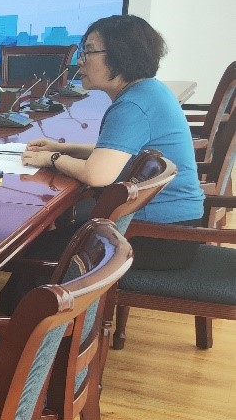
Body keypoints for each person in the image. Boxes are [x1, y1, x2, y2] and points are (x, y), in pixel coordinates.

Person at [20, 14, 205, 266]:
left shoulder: (132, 106)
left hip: (157, 236)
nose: (80, 61)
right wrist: (64, 148)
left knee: (31, 246)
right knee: (45, 240)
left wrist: (52, 158)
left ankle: (33, 291)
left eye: (88, 52)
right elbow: (115, 153)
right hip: (173, 228)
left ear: (121, 56)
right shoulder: (148, 90)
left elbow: (97, 174)